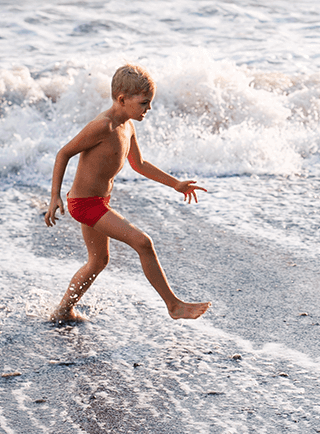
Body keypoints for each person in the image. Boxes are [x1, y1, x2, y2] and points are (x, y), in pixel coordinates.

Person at [44, 64, 211, 323]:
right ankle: (173, 305)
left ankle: (63, 311)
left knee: (98, 261)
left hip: (98, 201)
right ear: (122, 100)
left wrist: (175, 184)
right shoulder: (103, 127)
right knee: (143, 242)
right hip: (85, 204)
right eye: (144, 102)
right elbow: (64, 153)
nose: (149, 108)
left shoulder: (128, 127)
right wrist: (54, 196)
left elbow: (139, 164)